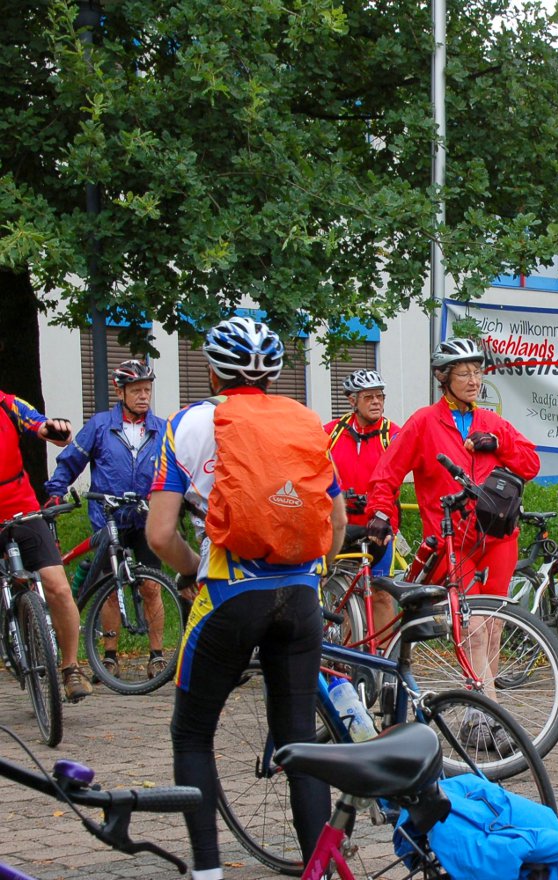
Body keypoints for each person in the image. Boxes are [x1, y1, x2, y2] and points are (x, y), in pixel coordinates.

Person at [146, 316, 346, 880]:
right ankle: (318, 872)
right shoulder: (306, 422)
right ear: (275, 375)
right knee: (300, 742)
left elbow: (160, 534)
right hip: (301, 594)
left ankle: (208, 872)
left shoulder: (189, 423)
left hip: (231, 593)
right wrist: (309, 570)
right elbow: (336, 518)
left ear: (212, 371)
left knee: (192, 733)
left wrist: (192, 573)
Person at [364, 337, 539, 751]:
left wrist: (500, 445)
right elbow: (387, 474)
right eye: (464, 372)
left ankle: (479, 716)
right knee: (474, 628)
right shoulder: (424, 422)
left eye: (478, 372)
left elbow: (530, 463)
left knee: (493, 627)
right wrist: (381, 512)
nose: (474, 380)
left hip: (498, 536)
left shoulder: (492, 423)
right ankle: (490, 715)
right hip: (454, 540)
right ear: (444, 377)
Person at [45, 359, 169, 679]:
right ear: (120, 391)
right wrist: (56, 490)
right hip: (108, 519)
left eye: (148, 390)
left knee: (151, 587)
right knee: (111, 589)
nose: (144, 396)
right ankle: (110, 656)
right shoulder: (100, 425)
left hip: (145, 519)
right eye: (137, 390)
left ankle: (156, 656)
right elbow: (72, 460)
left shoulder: (161, 428)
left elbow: (178, 469)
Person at [0, 389, 89, 699]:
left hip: (20, 509)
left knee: (58, 587)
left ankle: (70, 668)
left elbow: (38, 424)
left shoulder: (6, 404)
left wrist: (55, 430)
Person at [324, 368, 400, 637]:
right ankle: (345, 655)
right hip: (340, 526)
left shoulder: (393, 434)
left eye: (380, 396)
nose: (377, 402)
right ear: (352, 400)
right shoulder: (332, 433)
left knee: (380, 594)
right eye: (369, 397)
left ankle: (382, 658)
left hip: (378, 529)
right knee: (340, 592)